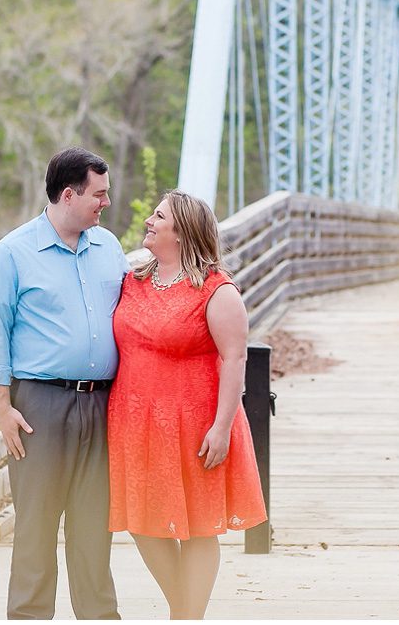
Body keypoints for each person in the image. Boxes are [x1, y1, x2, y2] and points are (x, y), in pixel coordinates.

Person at [0, 146, 130, 620]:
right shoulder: (13, 252)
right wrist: (3, 409)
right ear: (69, 194)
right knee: (37, 528)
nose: (106, 202)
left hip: (101, 405)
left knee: (93, 529)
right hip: (38, 405)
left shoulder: (110, 248)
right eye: (98, 194)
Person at [107, 190, 267, 620]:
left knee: (197, 525)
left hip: (196, 422)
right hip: (134, 421)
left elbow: (235, 359)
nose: (148, 221)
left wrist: (222, 426)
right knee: (142, 521)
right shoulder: (132, 280)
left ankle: (185, 616)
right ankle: (183, 609)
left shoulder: (216, 290)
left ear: (181, 232)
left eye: (158, 216)